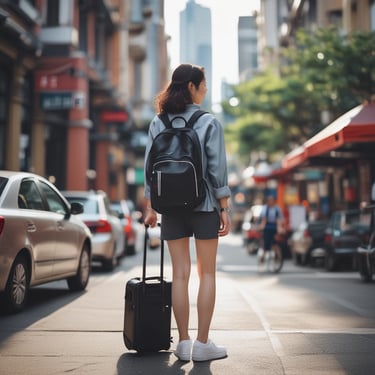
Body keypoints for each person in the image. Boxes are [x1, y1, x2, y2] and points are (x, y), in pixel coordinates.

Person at [143, 64, 231, 362]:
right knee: (207, 273)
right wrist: (224, 207)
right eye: (203, 84)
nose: (205, 89)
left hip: (169, 206)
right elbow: (217, 169)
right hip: (204, 204)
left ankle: (182, 342)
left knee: (179, 274)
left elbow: (149, 168)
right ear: (192, 86)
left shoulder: (158, 122)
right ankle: (202, 344)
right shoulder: (208, 122)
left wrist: (150, 207)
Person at [258, 195, 285, 264]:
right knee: (266, 243)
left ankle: (277, 256)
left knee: (275, 243)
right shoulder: (265, 208)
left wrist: (280, 227)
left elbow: (280, 219)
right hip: (267, 227)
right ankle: (263, 257)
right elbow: (263, 218)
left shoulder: (277, 209)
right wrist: (261, 226)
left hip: (275, 227)